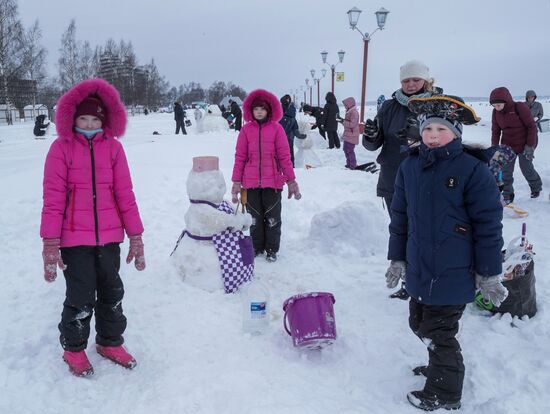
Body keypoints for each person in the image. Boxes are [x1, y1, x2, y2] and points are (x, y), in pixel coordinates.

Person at [386, 95, 506, 411]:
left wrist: (489, 272)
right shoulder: (409, 167)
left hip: (455, 270)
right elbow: (399, 218)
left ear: (455, 132)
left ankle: (446, 392)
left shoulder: (471, 170)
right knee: (418, 322)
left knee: (439, 332)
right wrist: (397, 257)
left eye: (441, 129)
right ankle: (439, 365)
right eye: (428, 129)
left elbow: (488, 225)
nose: (433, 135)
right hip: (420, 268)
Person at [40, 78, 146, 377]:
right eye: (83, 118)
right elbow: (53, 199)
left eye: (95, 118)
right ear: (73, 118)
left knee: (112, 290)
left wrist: (135, 235)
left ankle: (109, 342)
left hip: (110, 237)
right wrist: (50, 241)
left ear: (105, 119)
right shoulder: (60, 149)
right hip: (74, 240)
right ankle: (74, 349)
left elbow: (125, 194)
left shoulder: (113, 149)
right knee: (81, 294)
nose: (88, 123)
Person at [362, 60, 442, 300]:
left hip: (428, 179)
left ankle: (430, 280)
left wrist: (420, 138)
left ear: (426, 80)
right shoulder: (389, 107)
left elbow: (451, 140)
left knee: (426, 233)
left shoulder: (439, 105)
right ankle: (409, 282)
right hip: (393, 178)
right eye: (406, 80)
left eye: (415, 80)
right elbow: (372, 145)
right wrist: (370, 136)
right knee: (402, 231)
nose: (410, 84)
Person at [231, 89, 301, 262]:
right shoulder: (246, 130)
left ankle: (271, 249)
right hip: (251, 183)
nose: (259, 111)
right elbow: (240, 157)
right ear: (251, 111)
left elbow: (285, 157)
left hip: (273, 182)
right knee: (254, 218)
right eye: (256, 109)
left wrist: (291, 180)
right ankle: (256, 247)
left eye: (262, 108)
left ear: (269, 109)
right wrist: (236, 182)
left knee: (272, 218)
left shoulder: (277, 129)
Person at [490, 86, 542, 202]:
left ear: (506, 101)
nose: (496, 108)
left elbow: (531, 127)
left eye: (498, 105)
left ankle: (536, 187)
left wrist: (529, 146)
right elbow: (496, 131)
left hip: (526, 142)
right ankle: (508, 194)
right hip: (508, 144)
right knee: (506, 170)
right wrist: (494, 147)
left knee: (526, 168)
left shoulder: (519, 107)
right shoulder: (495, 112)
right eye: (494, 105)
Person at [279, 94, 307, 167]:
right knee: (289, 152)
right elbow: (295, 129)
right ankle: (291, 166)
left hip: (279, 139)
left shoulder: (277, 116)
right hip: (289, 138)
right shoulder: (292, 118)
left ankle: (280, 166)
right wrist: (301, 136)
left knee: (279, 153)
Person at [339, 97, 359, 169]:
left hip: (352, 135)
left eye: (346, 105)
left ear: (350, 104)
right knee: (345, 149)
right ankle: (349, 163)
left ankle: (353, 164)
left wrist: (342, 121)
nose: (345, 107)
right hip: (348, 134)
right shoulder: (349, 112)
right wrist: (341, 120)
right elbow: (347, 122)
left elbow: (352, 124)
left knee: (350, 150)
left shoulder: (354, 113)